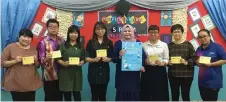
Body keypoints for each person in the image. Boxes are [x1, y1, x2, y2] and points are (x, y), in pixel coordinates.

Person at [1, 28, 42, 101]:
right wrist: (15, 61)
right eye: (24, 36)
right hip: (15, 82)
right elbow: (2, 63)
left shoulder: (33, 49)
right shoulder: (10, 47)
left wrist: (36, 60)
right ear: (19, 37)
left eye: (29, 37)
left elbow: (37, 66)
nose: (26, 39)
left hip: (30, 83)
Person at [112, 24, 146, 101]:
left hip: (134, 75)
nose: (127, 33)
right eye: (125, 31)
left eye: (129, 31)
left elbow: (143, 56)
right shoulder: (118, 43)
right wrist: (120, 56)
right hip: (122, 75)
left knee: (134, 94)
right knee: (121, 94)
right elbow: (113, 59)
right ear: (122, 32)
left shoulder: (137, 42)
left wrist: (142, 65)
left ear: (132, 32)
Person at [85, 21, 113, 101]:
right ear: (95, 30)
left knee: (103, 96)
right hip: (93, 73)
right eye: (98, 29)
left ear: (105, 30)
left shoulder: (109, 42)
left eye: (102, 29)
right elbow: (86, 58)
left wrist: (108, 59)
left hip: (104, 72)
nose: (100, 31)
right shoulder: (90, 42)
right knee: (94, 96)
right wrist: (94, 59)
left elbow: (112, 57)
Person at [37, 19, 64, 101]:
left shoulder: (62, 41)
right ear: (47, 28)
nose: (53, 29)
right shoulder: (42, 42)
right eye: (51, 27)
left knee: (59, 97)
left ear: (58, 28)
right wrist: (46, 58)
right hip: (49, 75)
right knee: (49, 97)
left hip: (62, 74)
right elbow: (40, 59)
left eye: (55, 27)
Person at [140, 25, 169, 101]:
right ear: (148, 33)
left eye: (155, 32)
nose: (153, 34)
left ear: (158, 33)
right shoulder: (143, 45)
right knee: (147, 91)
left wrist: (163, 63)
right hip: (147, 71)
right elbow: (140, 58)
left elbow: (166, 58)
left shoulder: (164, 45)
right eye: (151, 32)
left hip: (160, 71)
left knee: (160, 91)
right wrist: (144, 61)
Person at [168, 24, 196, 101]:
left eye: (178, 31)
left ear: (182, 33)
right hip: (173, 75)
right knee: (174, 95)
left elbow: (194, 58)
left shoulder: (188, 44)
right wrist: (168, 62)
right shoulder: (169, 45)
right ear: (172, 33)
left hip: (187, 75)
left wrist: (186, 62)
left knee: (185, 94)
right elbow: (165, 59)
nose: (176, 33)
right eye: (174, 32)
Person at [196, 29, 226, 101]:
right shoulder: (199, 49)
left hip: (214, 80)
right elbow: (197, 61)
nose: (203, 39)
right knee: (204, 99)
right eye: (200, 37)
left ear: (209, 36)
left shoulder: (217, 47)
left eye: (204, 36)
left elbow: (225, 60)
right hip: (202, 81)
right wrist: (197, 62)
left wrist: (211, 64)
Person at [57, 25, 85, 101]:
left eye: (76, 33)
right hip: (65, 74)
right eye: (71, 32)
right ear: (68, 34)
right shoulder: (62, 46)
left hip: (77, 74)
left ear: (78, 35)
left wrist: (82, 62)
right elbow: (57, 58)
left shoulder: (81, 46)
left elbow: (83, 59)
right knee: (67, 96)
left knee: (77, 96)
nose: (73, 35)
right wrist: (63, 63)